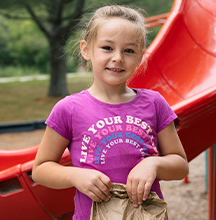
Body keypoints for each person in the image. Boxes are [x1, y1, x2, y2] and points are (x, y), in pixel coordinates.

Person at [32, 5, 189, 219]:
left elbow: (180, 166)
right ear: (86, 50)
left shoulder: (154, 103)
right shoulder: (68, 109)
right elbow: (40, 169)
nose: (118, 58)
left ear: (140, 56)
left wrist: (153, 164)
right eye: (107, 47)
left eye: (129, 50)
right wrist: (75, 176)